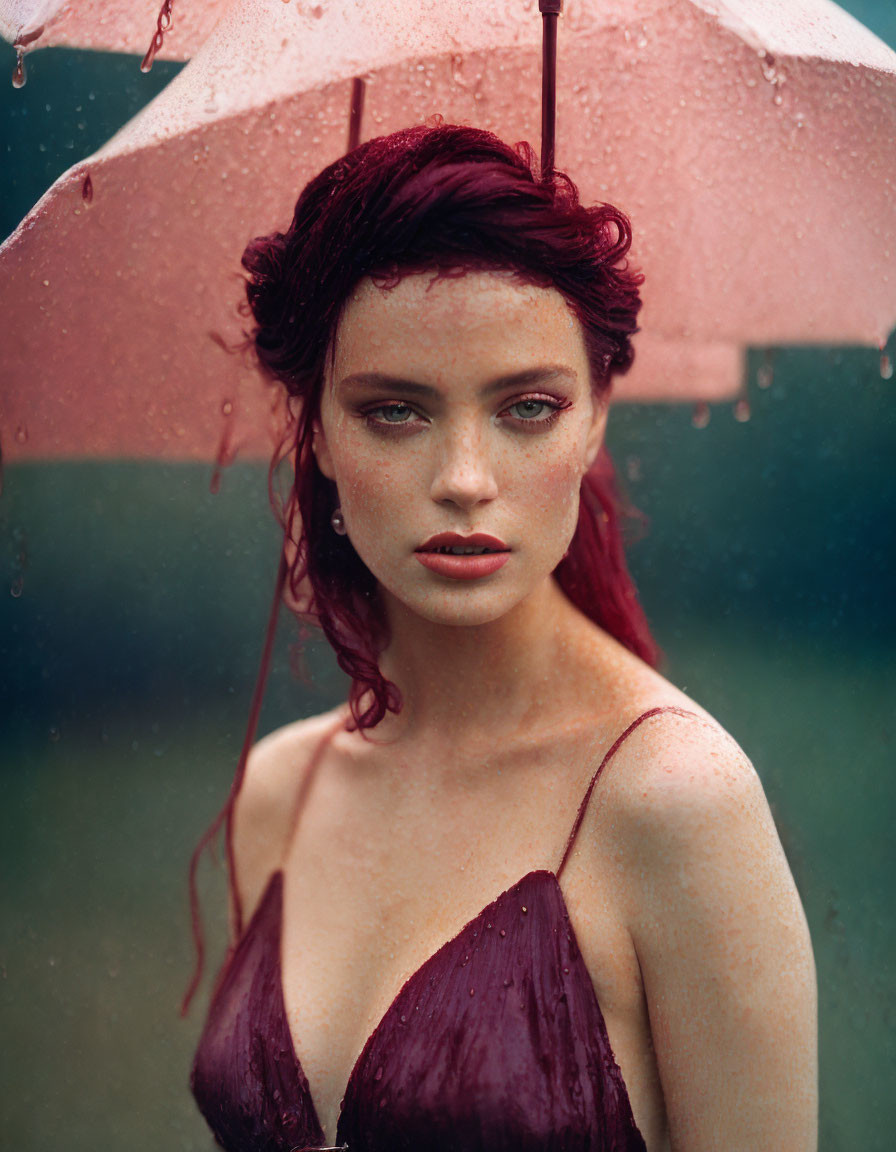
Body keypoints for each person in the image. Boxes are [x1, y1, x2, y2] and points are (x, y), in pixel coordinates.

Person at [190, 124, 817, 1152]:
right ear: (317, 432)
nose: (465, 478)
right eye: (395, 411)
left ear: (594, 419)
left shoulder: (670, 803)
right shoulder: (275, 795)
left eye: (527, 406)